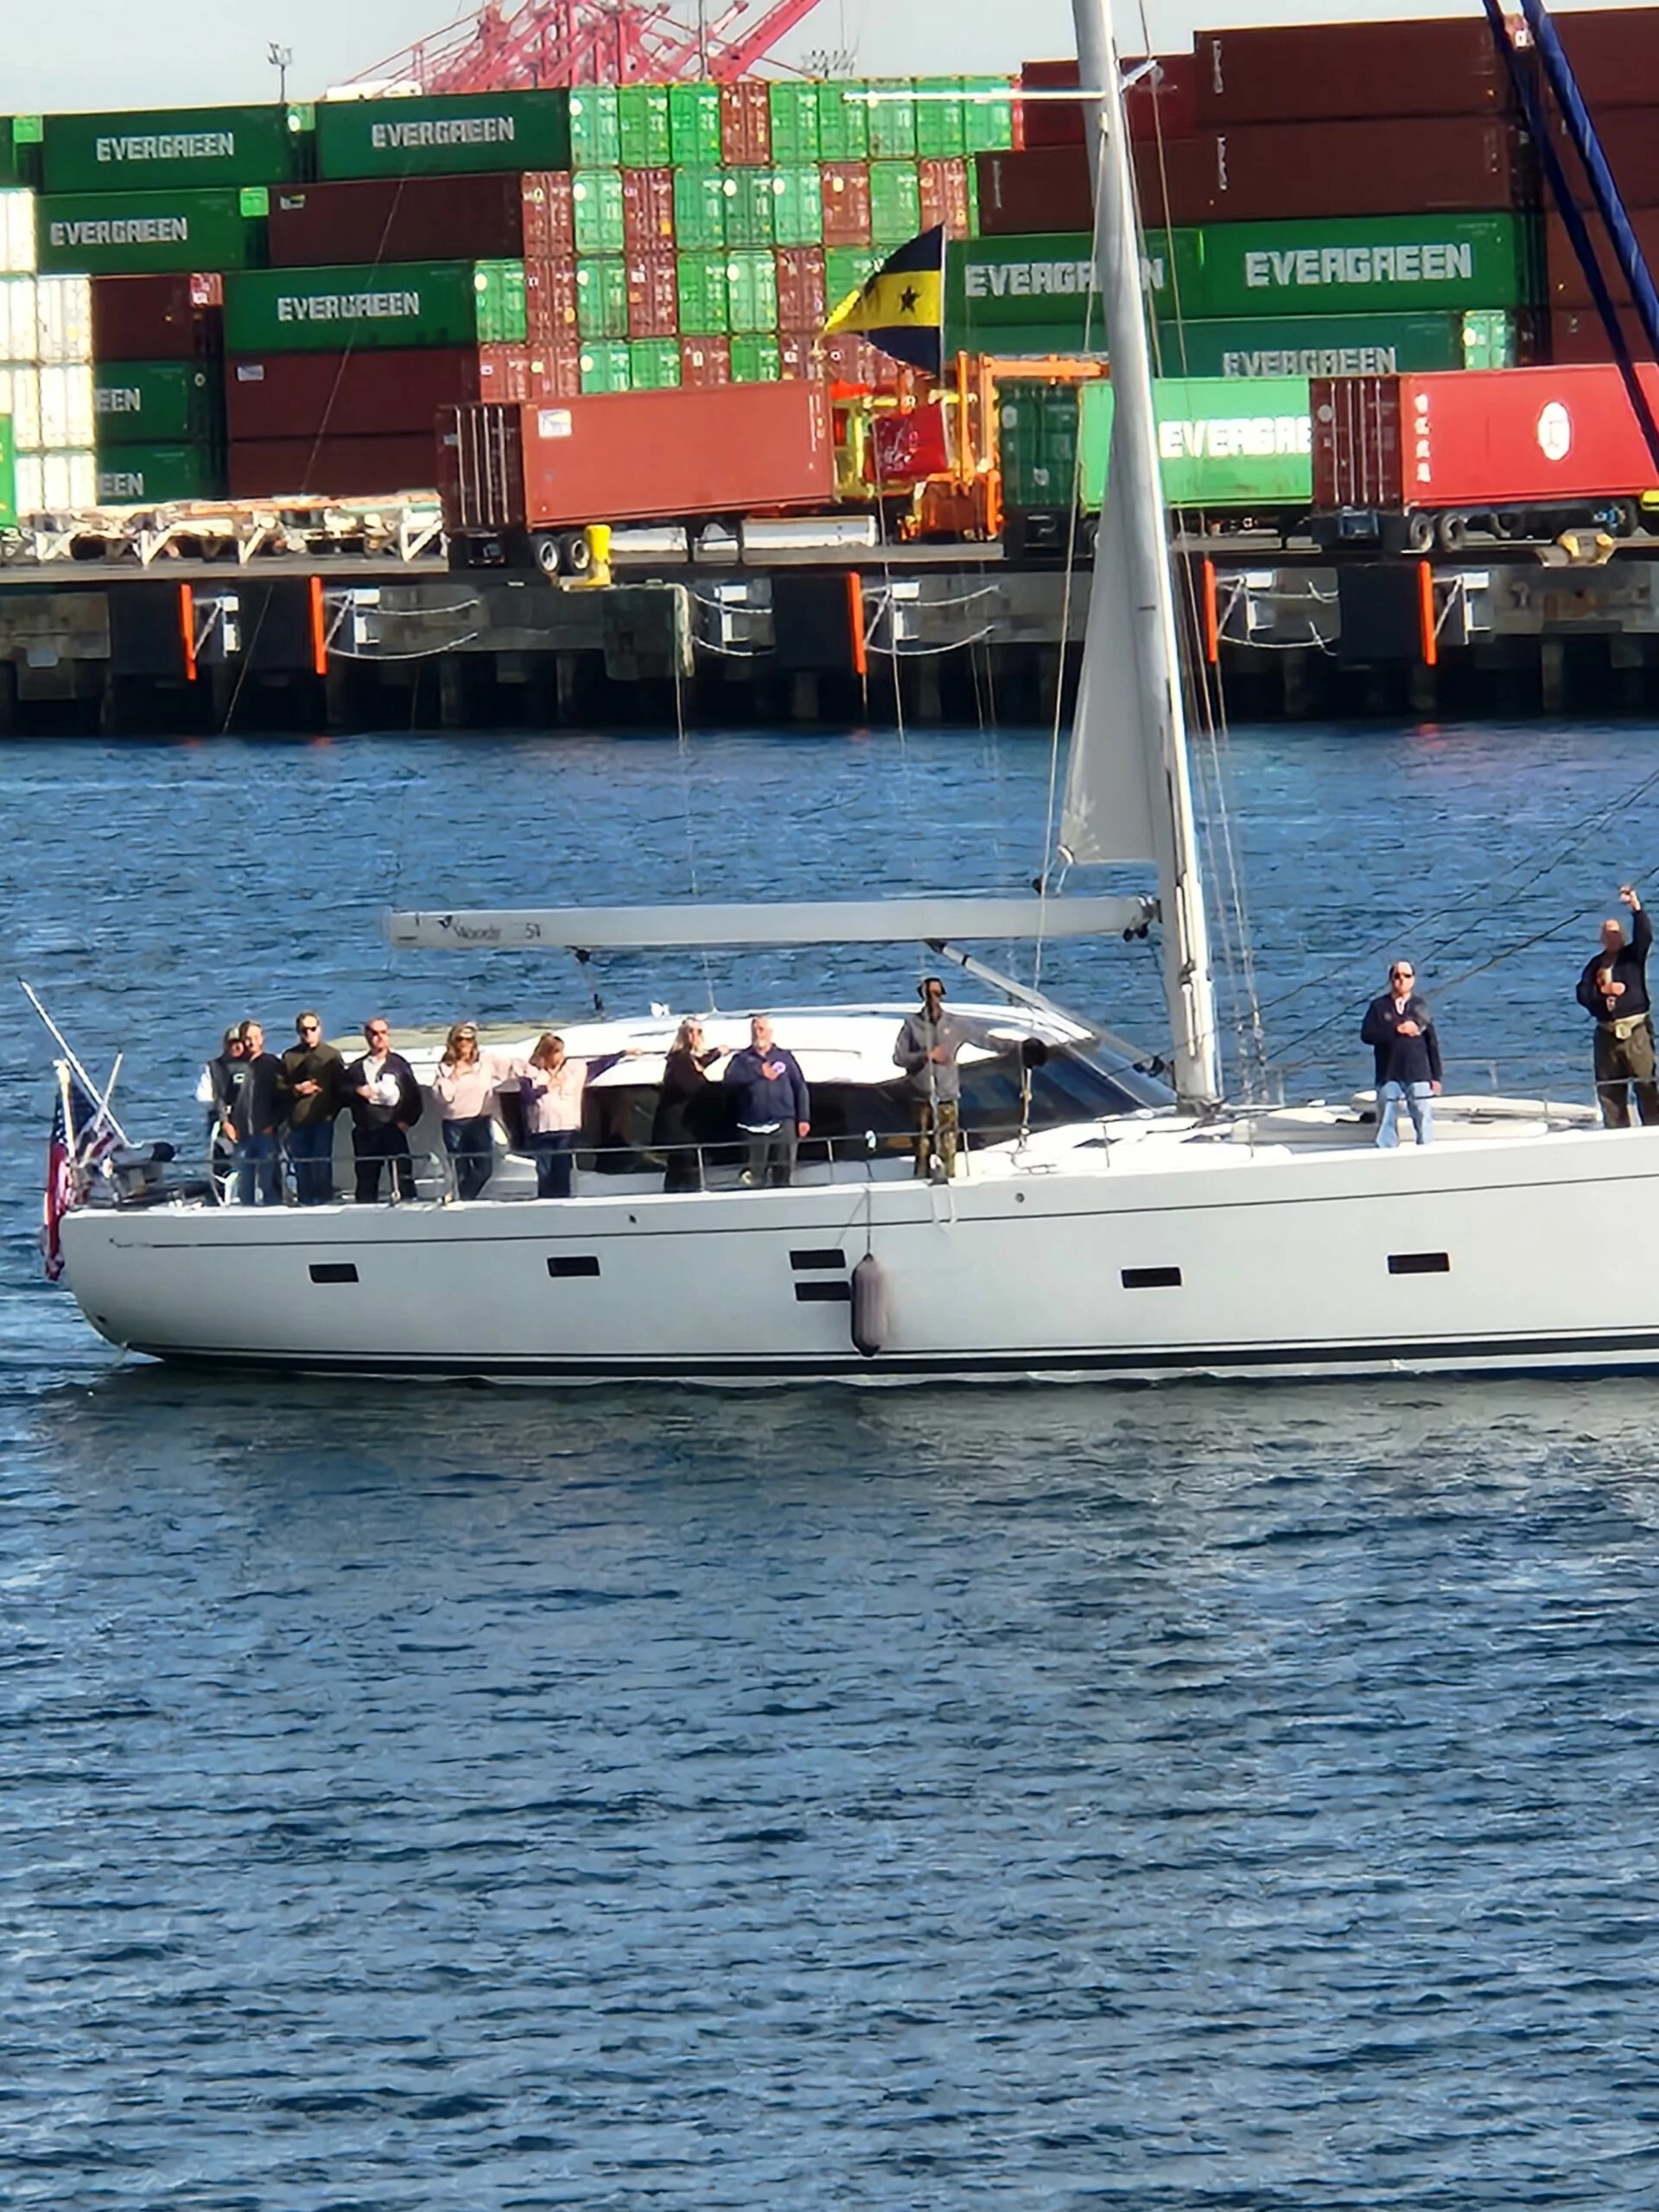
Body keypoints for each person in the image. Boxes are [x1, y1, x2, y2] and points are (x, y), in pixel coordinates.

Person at [1576, 884, 1659, 1129]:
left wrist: (1635, 907)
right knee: (1609, 1090)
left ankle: (1654, 1130)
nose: (1611, 938)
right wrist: (1603, 993)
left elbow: (1645, 936)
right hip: (1607, 1033)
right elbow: (1582, 993)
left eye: (1615, 933)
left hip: (1635, 1031)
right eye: (1607, 934)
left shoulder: (1632, 957)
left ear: (1622, 936)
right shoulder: (1595, 965)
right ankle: (1616, 1131)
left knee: (1646, 1084)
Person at [519, 1033, 632, 1198]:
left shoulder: (574, 1070)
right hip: (541, 1129)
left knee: (562, 1168)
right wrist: (547, 1087)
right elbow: (527, 1096)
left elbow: (598, 1065)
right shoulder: (530, 1073)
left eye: (561, 1052)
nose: (561, 1056)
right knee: (544, 1170)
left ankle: (562, 1199)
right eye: (556, 1052)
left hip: (566, 1128)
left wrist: (621, 1054)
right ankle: (545, 1200)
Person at [1361, 960, 1443, 1149]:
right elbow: (1367, 1035)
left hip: (1418, 1072)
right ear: (1391, 979)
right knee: (1386, 1115)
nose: (1401, 980)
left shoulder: (1420, 1006)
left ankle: (1426, 1149)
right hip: (1388, 1073)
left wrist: (1436, 1077)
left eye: (1406, 976)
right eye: (1397, 976)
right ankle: (1386, 1151)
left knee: (1422, 1112)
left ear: (1413, 980)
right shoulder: (1379, 1006)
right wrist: (1395, 1030)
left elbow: (1432, 1043)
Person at [893, 975, 968, 1180]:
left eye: (937, 993)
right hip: (922, 1099)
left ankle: (948, 1181)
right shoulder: (912, 1025)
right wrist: (926, 1056)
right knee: (922, 1148)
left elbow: (984, 1039)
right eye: (929, 994)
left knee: (948, 1149)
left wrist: (1018, 1049)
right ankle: (921, 1182)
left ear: (943, 995)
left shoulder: (955, 1024)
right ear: (922, 996)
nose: (934, 998)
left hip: (947, 1099)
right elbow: (899, 1058)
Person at [431, 1022, 516, 1201]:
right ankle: (462, 1200)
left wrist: (538, 1070)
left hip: (480, 1121)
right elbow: (443, 1097)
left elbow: (510, 1069)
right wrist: (452, 1076)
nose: (464, 1043)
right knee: (460, 1168)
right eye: (460, 1039)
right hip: (454, 1123)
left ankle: (464, 1197)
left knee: (484, 1168)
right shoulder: (445, 1067)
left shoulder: (485, 1061)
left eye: (469, 1039)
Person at [343, 1018, 423, 1205]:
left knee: (402, 1174)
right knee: (366, 1178)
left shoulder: (399, 1065)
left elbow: (414, 1096)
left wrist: (406, 1121)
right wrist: (357, 1091)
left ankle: (408, 1207)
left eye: (383, 1033)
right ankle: (365, 1211)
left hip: (392, 1129)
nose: (379, 1037)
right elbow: (342, 1092)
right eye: (374, 1033)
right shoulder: (356, 1068)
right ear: (366, 1035)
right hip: (366, 1131)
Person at [724, 1016, 810, 1187]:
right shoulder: (741, 1059)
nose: (758, 1033)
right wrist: (758, 1071)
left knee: (783, 1175)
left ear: (770, 1033)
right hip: (752, 1128)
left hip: (783, 1124)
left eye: (761, 1029)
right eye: (755, 1030)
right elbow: (729, 1080)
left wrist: (804, 1118)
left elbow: (800, 1087)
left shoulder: (785, 1057)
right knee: (752, 1179)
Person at [282, 1011, 347, 1207]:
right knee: (302, 1165)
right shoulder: (289, 1057)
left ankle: (324, 1200)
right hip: (298, 1122)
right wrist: (296, 1090)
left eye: (312, 1029)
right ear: (298, 1032)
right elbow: (279, 1089)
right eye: (304, 1030)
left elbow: (341, 1089)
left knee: (322, 1163)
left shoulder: (331, 1056)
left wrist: (331, 1113)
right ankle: (305, 1201)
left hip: (323, 1120)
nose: (308, 1033)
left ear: (320, 1029)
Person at [653, 1018, 726, 1192]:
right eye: (689, 1031)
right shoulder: (678, 1060)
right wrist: (720, 1090)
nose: (694, 1035)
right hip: (680, 1129)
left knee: (682, 1166)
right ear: (682, 1035)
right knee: (684, 1168)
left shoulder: (689, 1059)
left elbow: (698, 1065)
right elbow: (691, 1084)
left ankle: (679, 1196)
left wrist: (716, 1054)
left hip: (688, 1127)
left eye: (698, 1031)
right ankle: (683, 1198)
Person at [232, 1019, 289, 1205]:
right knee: (245, 1182)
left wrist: (273, 1123)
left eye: (256, 1037)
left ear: (262, 1038)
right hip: (242, 1134)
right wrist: (227, 1122)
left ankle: (274, 1209)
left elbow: (284, 1098)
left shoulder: (272, 1064)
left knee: (269, 1181)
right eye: (248, 1038)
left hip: (266, 1132)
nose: (252, 1042)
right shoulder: (234, 1066)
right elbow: (223, 1097)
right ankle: (246, 1211)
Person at [198, 1026, 245, 1203]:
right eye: (232, 1043)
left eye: (240, 1043)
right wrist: (223, 1113)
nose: (237, 1047)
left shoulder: (254, 1065)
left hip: (248, 1125)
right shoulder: (213, 1067)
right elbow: (204, 1098)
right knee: (222, 1164)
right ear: (225, 1044)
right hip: (222, 1128)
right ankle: (221, 1197)